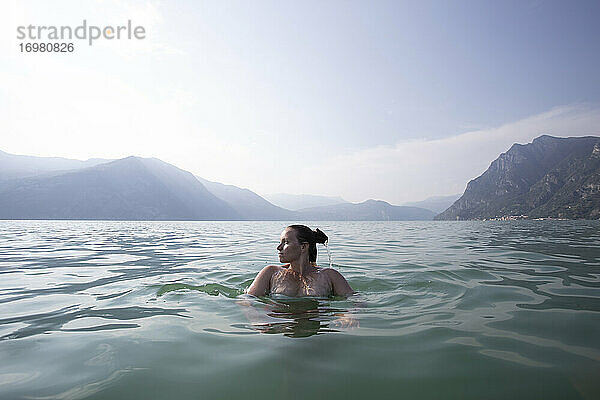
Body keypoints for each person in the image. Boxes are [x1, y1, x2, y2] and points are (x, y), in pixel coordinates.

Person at [246, 225, 354, 297]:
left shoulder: (330, 275)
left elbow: (355, 300)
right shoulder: (271, 272)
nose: (279, 247)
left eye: (286, 242)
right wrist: (259, 318)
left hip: (318, 324)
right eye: (280, 242)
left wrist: (347, 316)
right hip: (282, 324)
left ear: (303, 247)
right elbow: (247, 300)